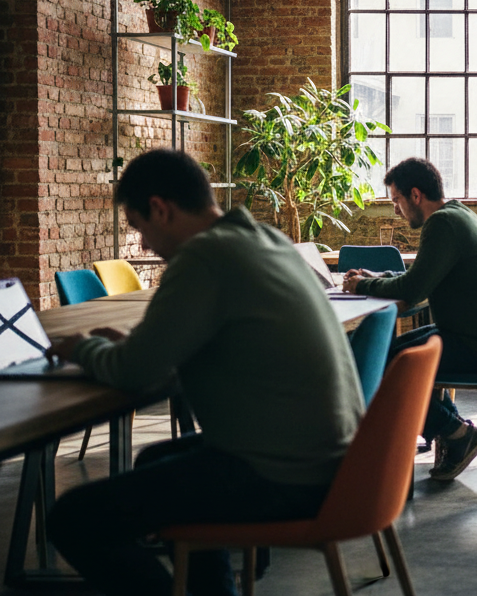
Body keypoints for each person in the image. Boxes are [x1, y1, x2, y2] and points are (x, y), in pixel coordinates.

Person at [44, 149, 364, 596]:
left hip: (287, 476)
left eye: (139, 228)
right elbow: (200, 348)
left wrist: (86, 347)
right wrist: (140, 349)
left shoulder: (203, 257)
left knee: (73, 518)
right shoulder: (264, 239)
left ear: (160, 208)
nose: (144, 246)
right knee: (157, 460)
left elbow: (135, 372)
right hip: (338, 463)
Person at [343, 157, 477, 482]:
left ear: (416, 195)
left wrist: (362, 285)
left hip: (476, 343)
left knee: (379, 361)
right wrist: (378, 275)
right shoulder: (456, 214)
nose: (395, 209)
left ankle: (455, 432)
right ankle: (455, 431)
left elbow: (412, 291)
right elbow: (422, 278)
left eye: (396, 200)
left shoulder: (442, 225)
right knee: (387, 352)